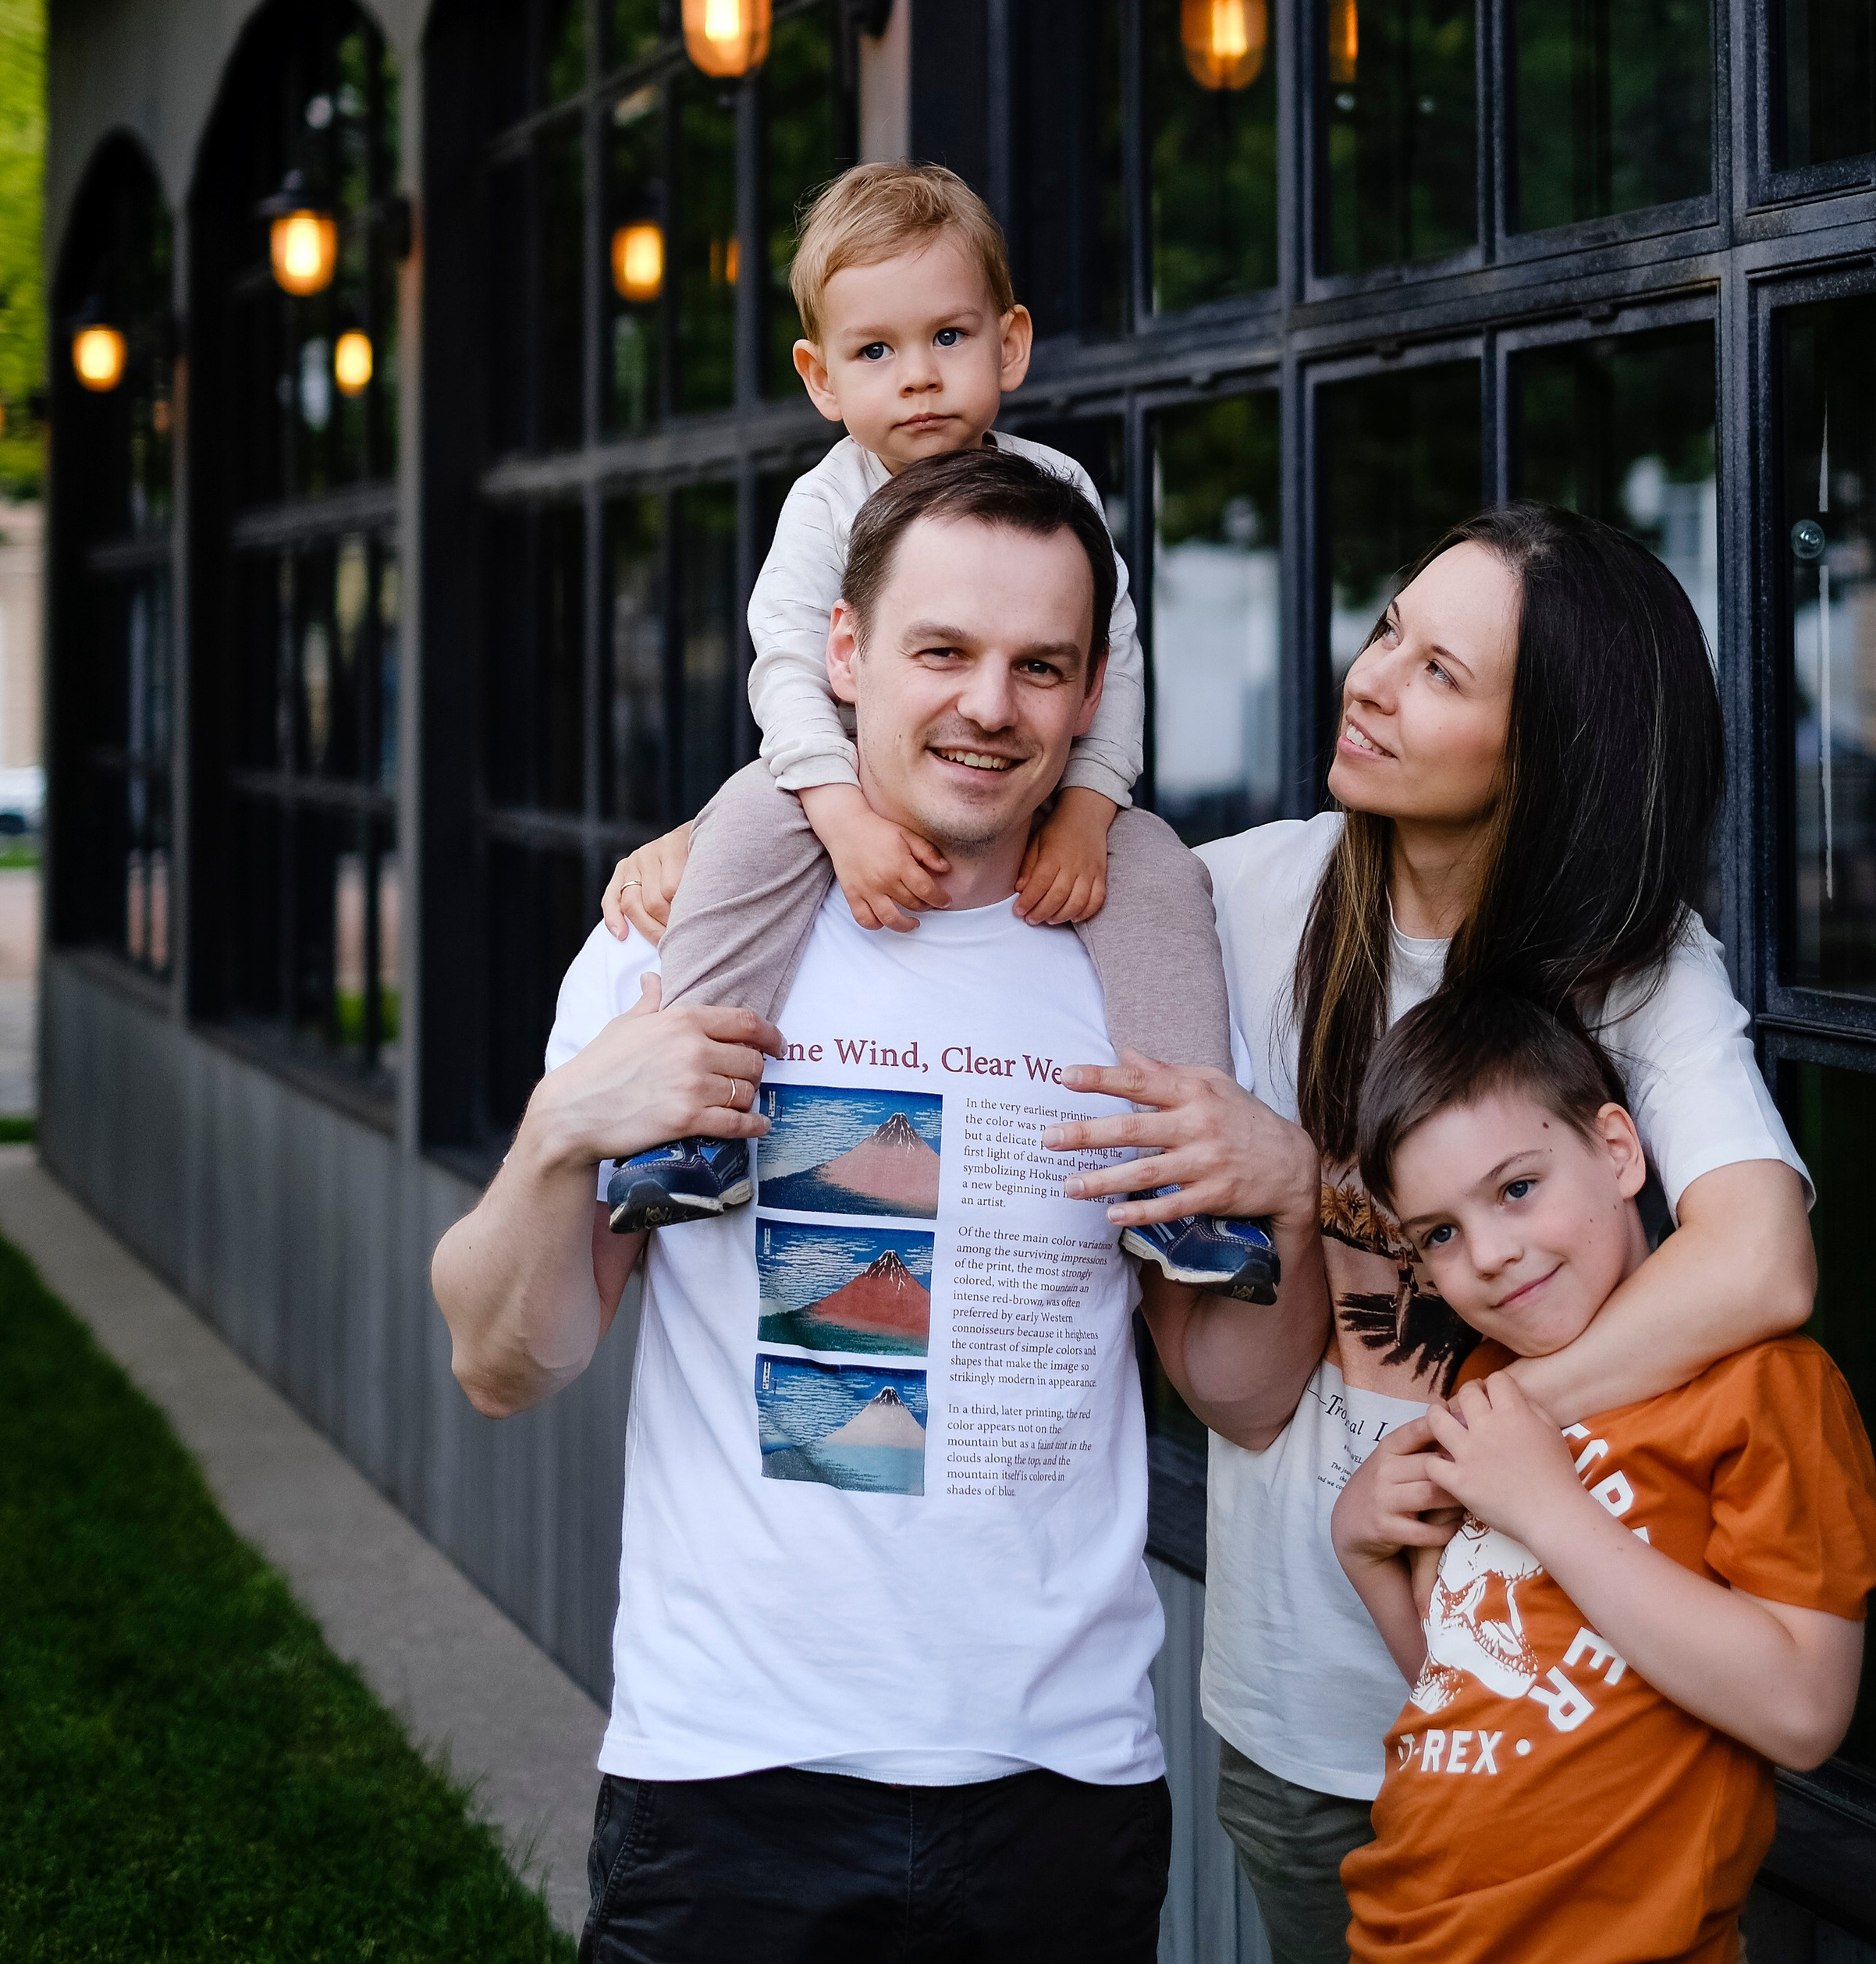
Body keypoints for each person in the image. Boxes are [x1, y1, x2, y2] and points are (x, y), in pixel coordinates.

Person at [431, 449, 1323, 1964]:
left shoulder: (1143, 974)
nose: (990, 702)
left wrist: (1289, 1193)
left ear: (1091, 685)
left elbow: (1238, 1393)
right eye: (942, 650)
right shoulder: (691, 942)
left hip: (1060, 1774)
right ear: (842, 652)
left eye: (1038, 664)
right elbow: (503, 1363)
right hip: (725, 1768)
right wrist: (559, 1125)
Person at [1036, 505, 1824, 1964]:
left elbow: (1763, 1253)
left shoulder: (1631, 960)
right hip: (1307, 1712)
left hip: (1596, 1737)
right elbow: (1243, 1395)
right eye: (1389, 625)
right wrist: (775, 803)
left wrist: (1489, 1437)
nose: (1372, 675)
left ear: (1548, 750)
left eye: (1442, 670)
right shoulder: (1237, 900)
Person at [602, 160, 1268, 1297]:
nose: (919, 378)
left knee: (1158, 867)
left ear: (1008, 345)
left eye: (949, 337)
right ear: (820, 377)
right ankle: (690, 1123)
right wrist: (840, 816)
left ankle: (1181, 1178)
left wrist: (1093, 812)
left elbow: (1119, 657)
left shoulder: (1055, 488)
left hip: (1032, 791)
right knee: (749, 818)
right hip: (831, 779)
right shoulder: (825, 504)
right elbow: (787, 673)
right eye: (876, 352)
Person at [1331, 979, 1876, 1964]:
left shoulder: (1765, 1385)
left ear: (1619, 1151)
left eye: (1516, 1187)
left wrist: (1550, 1510)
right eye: (1441, 1235)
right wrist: (1365, 1551)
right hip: (1406, 1928)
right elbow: (1472, 1689)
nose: (1492, 1254)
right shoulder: (1488, 1380)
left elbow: (1802, 1711)